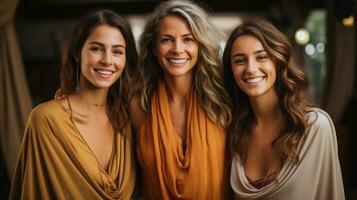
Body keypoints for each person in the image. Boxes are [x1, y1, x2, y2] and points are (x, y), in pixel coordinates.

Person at [9, 9, 137, 200]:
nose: (107, 60)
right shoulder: (46, 120)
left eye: (117, 51)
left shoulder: (126, 120)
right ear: (77, 53)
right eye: (96, 48)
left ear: (126, 59)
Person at [223, 20, 345, 200]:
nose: (250, 68)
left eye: (262, 57)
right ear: (231, 70)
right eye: (240, 60)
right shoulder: (234, 130)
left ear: (278, 61)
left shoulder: (314, 127)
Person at [129, 0, 232, 199]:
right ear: (153, 47)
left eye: (188, 39)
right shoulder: (138, 104)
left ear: (200, 45)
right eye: (167, 39)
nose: (177, 49)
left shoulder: (223, 98)